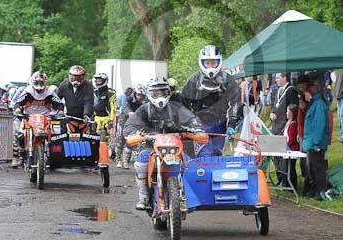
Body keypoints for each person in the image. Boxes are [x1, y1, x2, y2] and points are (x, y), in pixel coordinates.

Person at [124, 76, 204, 209]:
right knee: (141, 162)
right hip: (151, 146)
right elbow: (130, 126)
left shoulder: (176, 107)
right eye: (155, 93)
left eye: (162, 92)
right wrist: (136, 133)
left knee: (190, 164)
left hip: (176, 146)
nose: (159, 96)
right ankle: (143, 196)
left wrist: (196, 127)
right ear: (149, 94)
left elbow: (191, 119)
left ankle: (190, 195)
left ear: (168, 92)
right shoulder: (144, 109)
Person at [180, 45, 241, 156]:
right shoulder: (194, 79)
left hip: (220, 123)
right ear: (202, 63)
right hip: (200, 123)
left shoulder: (228, 80)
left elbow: (235, 102)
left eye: (213, 63)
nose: (211, 66)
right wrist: (188, 123)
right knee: (204, 153)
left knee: (216, 154)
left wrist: (232, 124)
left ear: (219, 62)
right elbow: (183, 102)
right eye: (207, 63)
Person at [11, 71, 64, 168]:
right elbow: (18, 102)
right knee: (19, 134)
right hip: (29, 117)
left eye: (41, 83)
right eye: (37, 83)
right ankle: (17, 156)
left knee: (56, 135)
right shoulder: (28, 91)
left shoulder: (49, 92)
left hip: (45, 118)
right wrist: (18, 109)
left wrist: (60, 111)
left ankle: (53, 156)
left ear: (45, 82)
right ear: (32, 82)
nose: (39, 86)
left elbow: (59, 103)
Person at [301, 81, 330, 201]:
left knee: (318, 169)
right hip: (311, 143)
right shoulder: (315, 104)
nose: (305, 96)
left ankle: (321, 192)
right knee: (312, 168)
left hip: (315, 144)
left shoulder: (318, 105)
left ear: (310, 92)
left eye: (305, 93)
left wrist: (317, 143)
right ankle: (316, 191)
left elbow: (319, 124)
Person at [57, 65, 95, 132]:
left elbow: (88, 102)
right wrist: (60, 110)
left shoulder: (88, 86)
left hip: (84, 118)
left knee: (87, 137)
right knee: (61, 134)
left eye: (78, 78)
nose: (76, 80)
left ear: (83, 77)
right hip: (69, 117)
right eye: (73, 77)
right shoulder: (64, 85)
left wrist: (86, 114)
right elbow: (57, 99)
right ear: (70, 76)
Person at [92, 72, 117, 139]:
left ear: (104, 81)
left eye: (99, 80)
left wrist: (111, 120)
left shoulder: (111, 92)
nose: (97, 82)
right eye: (96, 80)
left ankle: (108, 148)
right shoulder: (94, 91)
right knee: (93, 135)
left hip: (107, 117)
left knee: (106, 136)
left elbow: (113, 108)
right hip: (96, 117)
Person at [283, 104, 299, 187]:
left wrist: (285, 146)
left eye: (288, 111)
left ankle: (293, 185)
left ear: (292, 113)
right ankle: (287, 184)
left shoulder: (293, 124)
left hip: (291, 150)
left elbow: (291, 139)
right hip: (287, 149)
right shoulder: (289, 123)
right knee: (288, 167)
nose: (286, 113)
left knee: (291, 168)